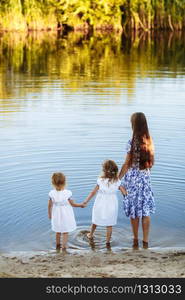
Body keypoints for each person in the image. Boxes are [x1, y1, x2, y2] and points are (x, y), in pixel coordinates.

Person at [119, 112, 155, 249]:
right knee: (145, 210)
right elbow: (151, 163)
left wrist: (117, 179)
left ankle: (135, 239)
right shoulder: (150, 142)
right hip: (145, 178)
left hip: (133, 180)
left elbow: (126, 164)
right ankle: (146, 241)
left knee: (134, 211)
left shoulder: (131, 143)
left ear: (134, 125)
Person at [83, 160, 127, 248]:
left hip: (100, 204)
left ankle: (91, 234)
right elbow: (125, 193)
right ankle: (107, 241)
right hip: (112, 205)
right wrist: (128, 200)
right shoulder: (117, 182)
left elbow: (93, 192)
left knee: (95, 220)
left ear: (104, 171)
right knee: (109, 224)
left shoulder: (100, 181)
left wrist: (86, 201)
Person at [48, 172, 85, 250]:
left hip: (56, 214)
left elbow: (50, 205)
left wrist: (49, 214)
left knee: (58, 231)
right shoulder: (68, 193)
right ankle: (64, 246)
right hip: (66, 214)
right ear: (64, 182)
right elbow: (73, 204)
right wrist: (81, 205)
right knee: (65, 231)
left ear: (53, 183)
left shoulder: (51, 193)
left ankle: (58, 246)